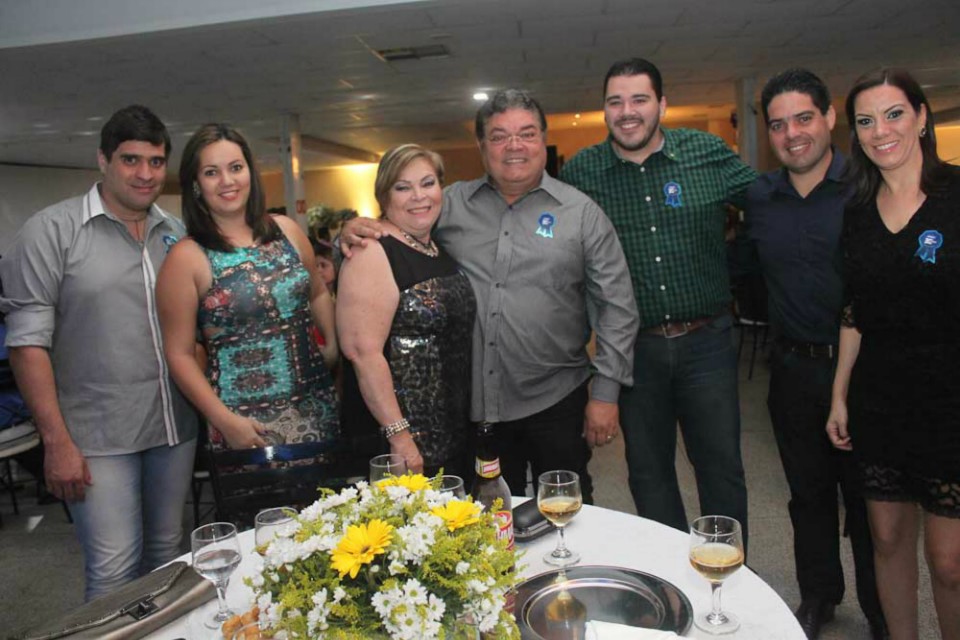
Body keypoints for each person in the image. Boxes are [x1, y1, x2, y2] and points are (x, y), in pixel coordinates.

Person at [341, 89, 638, 501]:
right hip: (475, 410)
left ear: (543, 140)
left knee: (569, 508)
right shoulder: (448, 204)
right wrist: (354, 229)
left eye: (526, 134)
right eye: (499, 136)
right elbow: (399, 232)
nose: (514, 146)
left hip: (555, 397)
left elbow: (617, 309)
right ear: (481, 146)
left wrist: (605, 394)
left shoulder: (582, 214)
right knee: (489, 515)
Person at [0, 105, 199, 600]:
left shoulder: (174, 233)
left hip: (173, 427)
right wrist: (55, 442)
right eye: (131, 160)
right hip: (95, 438)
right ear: (103, 160)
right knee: (113, 570)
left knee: (168, 557)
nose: (145, 173)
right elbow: (26, 344)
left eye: (156, 161)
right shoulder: (52, 231)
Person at [559, 58, 754, 542]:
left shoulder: (705, 153)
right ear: (604, 110)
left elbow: (774, 201)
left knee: (721, 468)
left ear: (662, 105)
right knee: (648, 474)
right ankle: (668, 577)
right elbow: (538, 227)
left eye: (639, 99)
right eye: (616, 101)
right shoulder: (582, 172)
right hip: (633, 351)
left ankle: (725, 573)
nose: (627, 112)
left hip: (707, 343)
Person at [742, 69, 885, 640]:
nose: (792, 134)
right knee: (807, 495)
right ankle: (820, 594)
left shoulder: (867, 188)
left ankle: (882, 608)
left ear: (829, 118)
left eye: (804, 118)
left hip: (867, 371)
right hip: (793, 369)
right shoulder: (761, 197)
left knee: (871, 502)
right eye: (778, 125)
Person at [827, 68, 960, 640]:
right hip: (879, 396)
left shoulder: (955, 196)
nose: (880, 130)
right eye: (866, 121)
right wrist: (839, 395)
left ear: (922, 117)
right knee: (886, 539)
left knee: (950, 562)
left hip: (951, 398)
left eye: (894, 113)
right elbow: (854, 310)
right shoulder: (856, 211)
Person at [157, 123, 339, 453]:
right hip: (245, 425)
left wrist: (332, 345)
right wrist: (224, 421)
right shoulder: (187, 257)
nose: (227, 181)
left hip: (317, 408)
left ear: (250, 174)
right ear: (196, 184)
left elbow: (317, 291)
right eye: (211, 172)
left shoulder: (286, 230)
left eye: (236, 168)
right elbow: (179, 355)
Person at [337, 144, 476, 478]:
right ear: (384, 196)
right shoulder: (371, 250)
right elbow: (362, 353)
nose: (419, 196)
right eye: (403, 187)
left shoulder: (435, 247)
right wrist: (399, 436)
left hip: (450, 431)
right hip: (400, 443)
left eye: (428, 183)